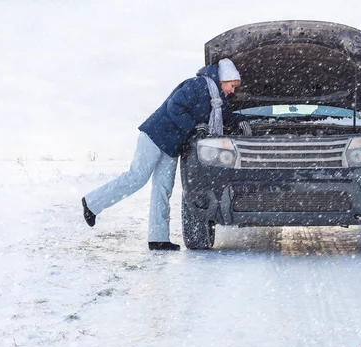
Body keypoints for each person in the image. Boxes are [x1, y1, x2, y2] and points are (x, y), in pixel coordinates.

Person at [81, 58, 250, 250]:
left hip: (172, 146)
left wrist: (241, 120)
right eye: (232, 85)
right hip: (155, 135)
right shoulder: (196, 85)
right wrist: (194, 127)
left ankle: (158, 239)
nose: (233, 90)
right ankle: (91, 203)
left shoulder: (217, 102)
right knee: (136, 178)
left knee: (163, 189)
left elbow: (227, 116)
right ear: (223, 79)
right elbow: (174, 107)